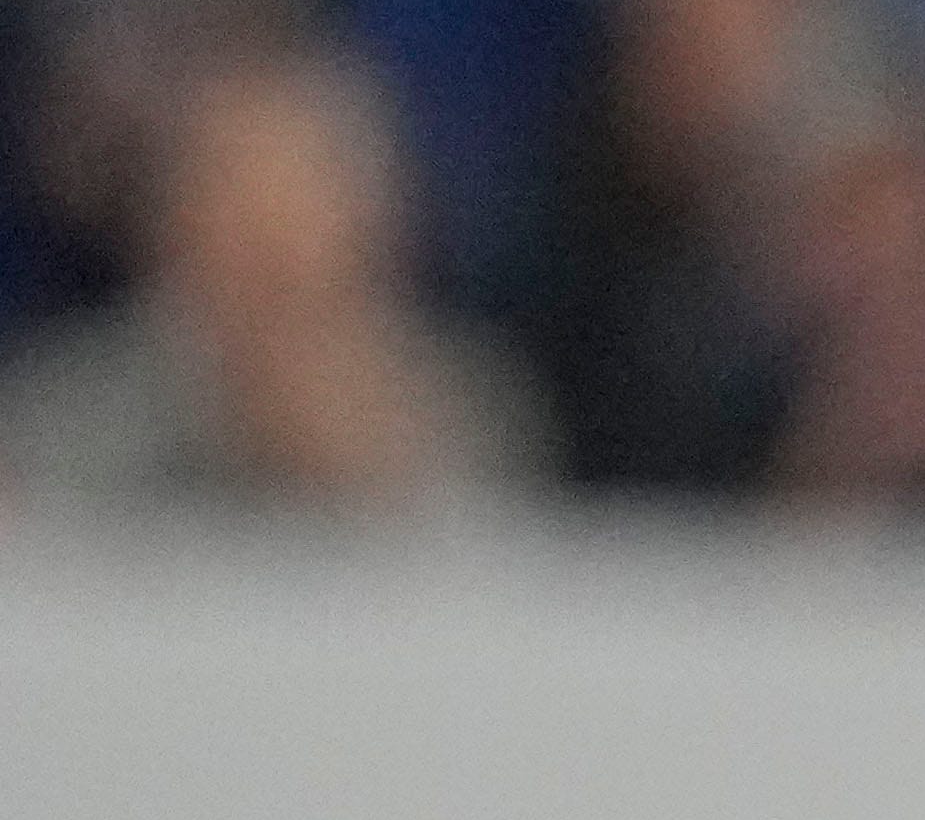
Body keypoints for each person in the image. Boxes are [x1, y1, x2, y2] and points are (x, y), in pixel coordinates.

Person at [0, 27, 544, 504]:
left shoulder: (474, 410)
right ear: (170, 232)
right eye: (234, 204)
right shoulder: (66, 412)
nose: (271, 246)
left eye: (299, 203)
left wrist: (355, 461)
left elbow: (496, 581)